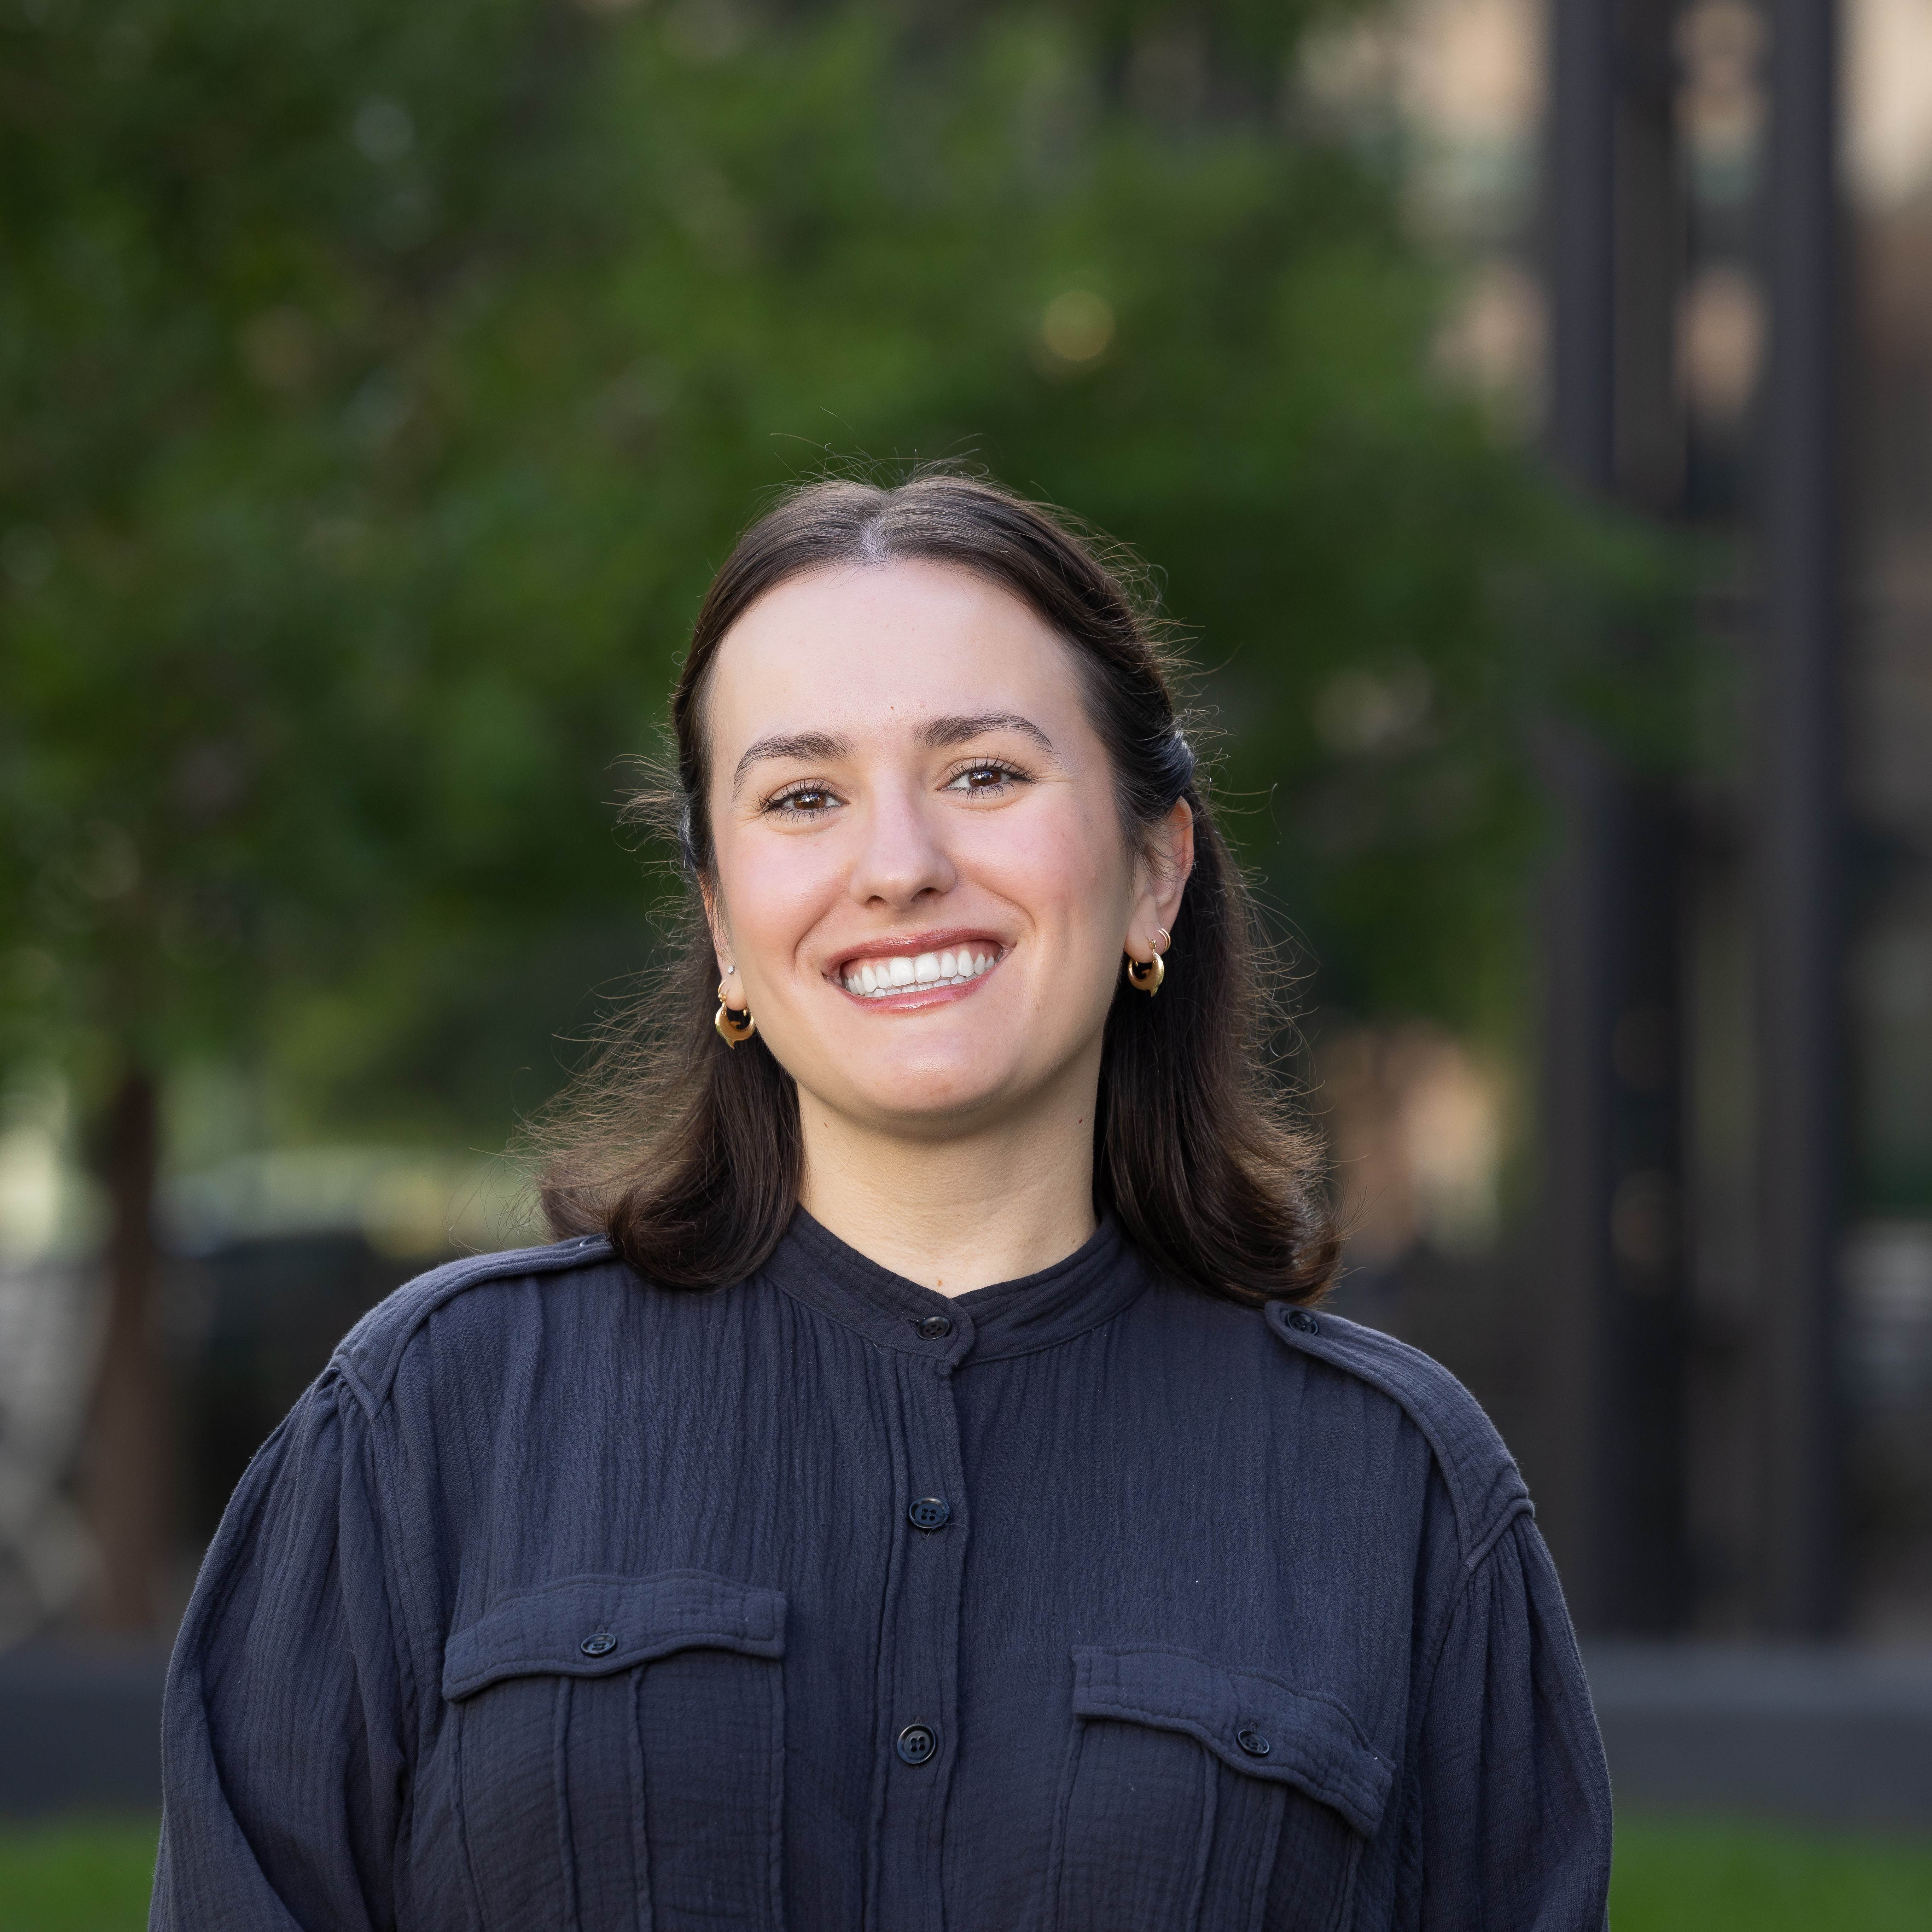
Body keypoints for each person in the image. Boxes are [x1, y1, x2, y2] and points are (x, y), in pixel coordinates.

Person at [152, 471, 1611, 1932]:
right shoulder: (432, 1419)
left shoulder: (1399, 1491)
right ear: (724, 921)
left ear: (1155, 873)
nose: (900, 867)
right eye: (803, 797)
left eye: (982, 773)